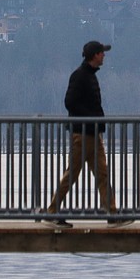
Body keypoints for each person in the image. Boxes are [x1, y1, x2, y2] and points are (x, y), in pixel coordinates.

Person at [38, 40, 132, 228]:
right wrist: (90, 118)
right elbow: (69, 102)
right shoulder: (80, 76)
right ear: (95, 55)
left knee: (102, 174)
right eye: (102, 53)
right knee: (72, 174)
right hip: (82, 134)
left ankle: (112, 214)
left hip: (92, 134)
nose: (104, 55)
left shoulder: (89, 75)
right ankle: (51, 212)